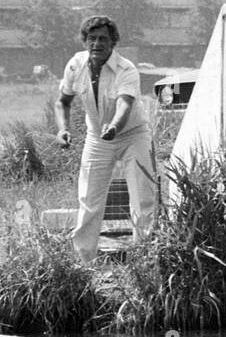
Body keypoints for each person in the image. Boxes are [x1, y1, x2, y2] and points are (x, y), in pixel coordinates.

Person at [54, 15, 157, 264]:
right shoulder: (75, 65)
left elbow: (124, 104)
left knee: (142, 199)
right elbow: (62, 102)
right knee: (89, 199)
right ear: (84, 41)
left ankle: (145, 260)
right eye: (91, 39)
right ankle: (83, 261)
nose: (96, 44)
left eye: (103, 39)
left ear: (113, 43)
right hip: (97, 138)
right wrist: (63, 129)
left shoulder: (127, 69)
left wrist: (113, 126)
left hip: (132, 135)